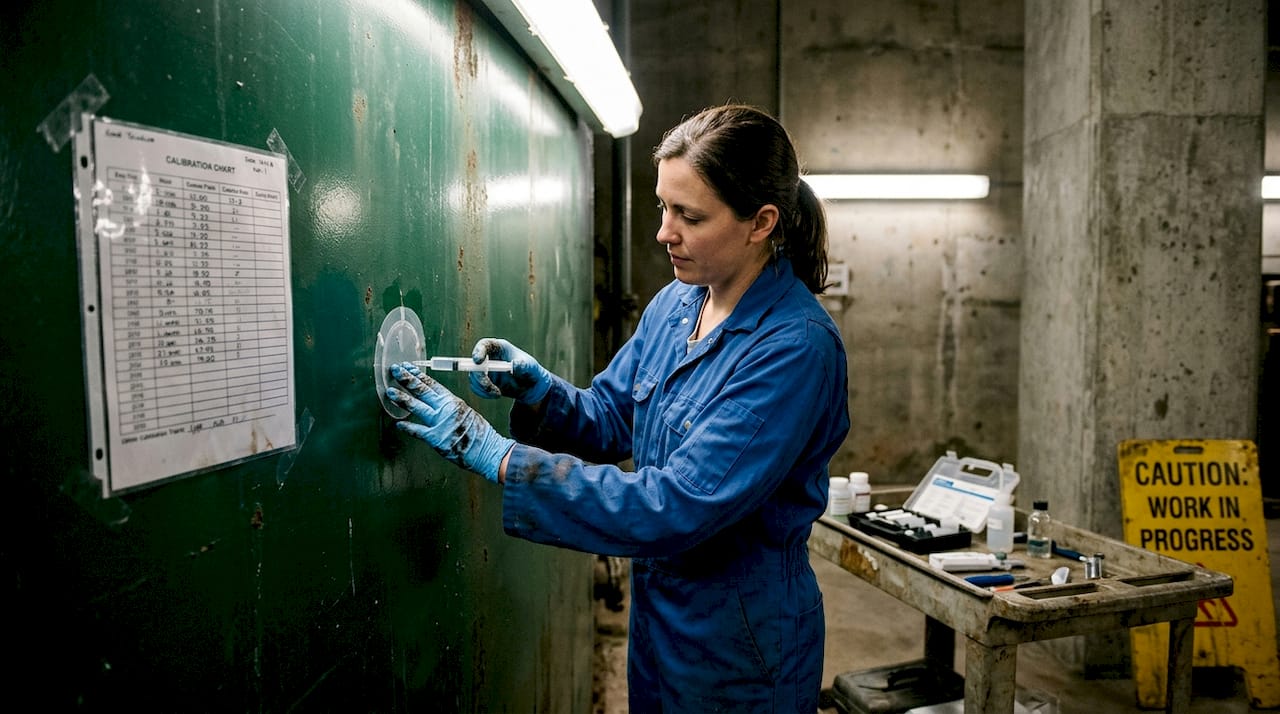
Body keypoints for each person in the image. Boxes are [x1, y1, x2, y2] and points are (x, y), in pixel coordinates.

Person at [386, 103, 850, 713]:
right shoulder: (677, 304)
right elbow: (611, 416)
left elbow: (674, 505)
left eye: (689, 215)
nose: (664, 232)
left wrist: (499, 456)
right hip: (660, 621)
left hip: (740, 642)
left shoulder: (794, 349)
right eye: (663, 206)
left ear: (761, 222)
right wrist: (540, 391)